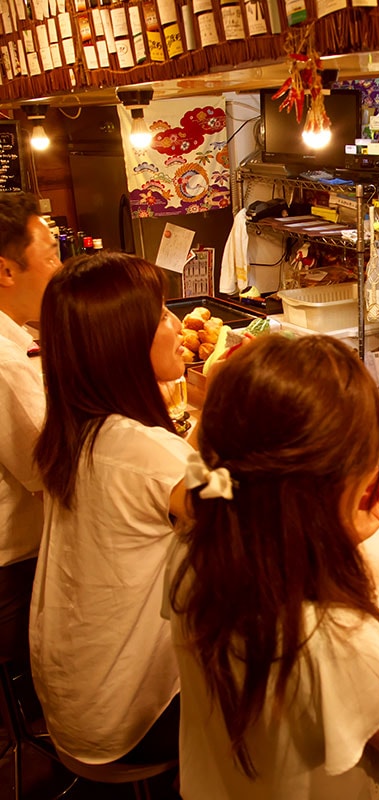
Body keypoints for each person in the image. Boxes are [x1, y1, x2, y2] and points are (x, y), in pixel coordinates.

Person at [168, 334, 379, 799]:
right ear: (335, 484)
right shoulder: (328, 635)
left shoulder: (193, 550)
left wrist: (337, 527)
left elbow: (203, 477)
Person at [30, 252, 193, 765]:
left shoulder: (75, 430)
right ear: (123, 343)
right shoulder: (143, 452)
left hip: (74, 705)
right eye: (162, 314)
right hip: (131, 718)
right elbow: (257, 527)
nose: (177, 325)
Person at [0, 192, 61, 663]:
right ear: (7, 271)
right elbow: (48, 472)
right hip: (14, 567)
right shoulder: (5, 361)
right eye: (52, 255)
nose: (59, 268)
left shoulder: (17, 339)